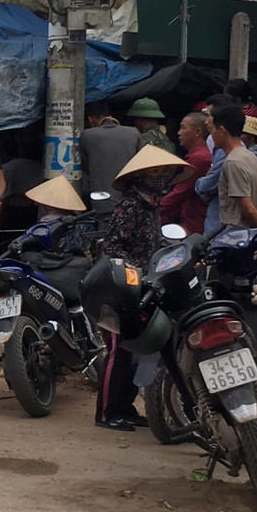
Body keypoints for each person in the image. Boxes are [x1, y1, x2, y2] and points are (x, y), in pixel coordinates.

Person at [97, 145, 192, 431]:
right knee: (117, 350)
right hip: (121, 288)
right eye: (157, 172)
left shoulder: (151, 205)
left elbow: (153, 244)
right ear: (141, 176)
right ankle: (106, 413)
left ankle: (124, 407)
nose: (162, 177)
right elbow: (113, 248)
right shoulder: (129, 206)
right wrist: (134, 271)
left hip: (143, 286)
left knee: (133, 351)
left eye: (166, 172)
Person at [210, 103, 257, 229]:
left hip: (236, 237)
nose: (212, 136)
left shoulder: (232, 162)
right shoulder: (251, 156)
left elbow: (248, 209)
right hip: (250, 237)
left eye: (213, 130)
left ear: (221, 131)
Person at [159, 112, 212, 235]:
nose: (179, 133)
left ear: (197, 132)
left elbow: (181, 192)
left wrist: (153, 209)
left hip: (196, 222)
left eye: (183, 128)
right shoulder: (198, 155)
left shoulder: (200, 158)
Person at [80, 101, 142, 204]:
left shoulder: (87, 135)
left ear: (90, 119)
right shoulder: (134, 132)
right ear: (110, 116)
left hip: (102, 201)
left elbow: (86, 165)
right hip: (130, 201)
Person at [194, 94, 238, 232]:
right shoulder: (214, 142)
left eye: (208, 116)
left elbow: (207, 184)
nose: (205, 121)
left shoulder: (228, 153)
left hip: (222, 224)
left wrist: (200, 183)